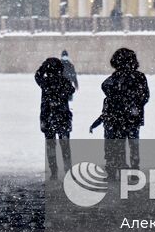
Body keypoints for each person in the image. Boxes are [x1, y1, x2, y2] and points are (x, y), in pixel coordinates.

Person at [89, 47, 149, 177]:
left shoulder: (114, 79)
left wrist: (119, 102)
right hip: (133, 117)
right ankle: (134, 169)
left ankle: (117, 167)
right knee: (133, 144)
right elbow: (145, 96)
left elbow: (105, 88)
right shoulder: (139, 77)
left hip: (117, 118)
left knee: (118, 143)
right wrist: (133, 105)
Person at [34, 57, 75, 180]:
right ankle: (68, 169)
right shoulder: (65, 82)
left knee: (51, 145)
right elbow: (71, 90)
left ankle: (54, 171)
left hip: (48, 118)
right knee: (65, 145)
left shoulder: (45, 82)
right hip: (63, 117)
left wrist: (44, 65)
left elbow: (37, 76)